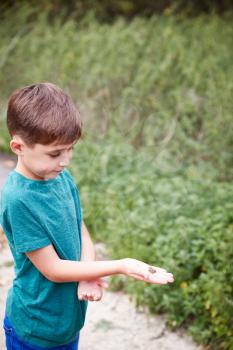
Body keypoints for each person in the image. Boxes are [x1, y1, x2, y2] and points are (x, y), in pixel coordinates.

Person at [0, 82, 174, 350]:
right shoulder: (18, 199)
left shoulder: (60, 177)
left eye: (71, 149)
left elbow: (80, 229)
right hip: (35, 328)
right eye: (55, 153)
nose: (66, 160)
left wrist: (87, 275)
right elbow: (54, 269)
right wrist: (122, 265)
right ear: (18, 146)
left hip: (68, 322)